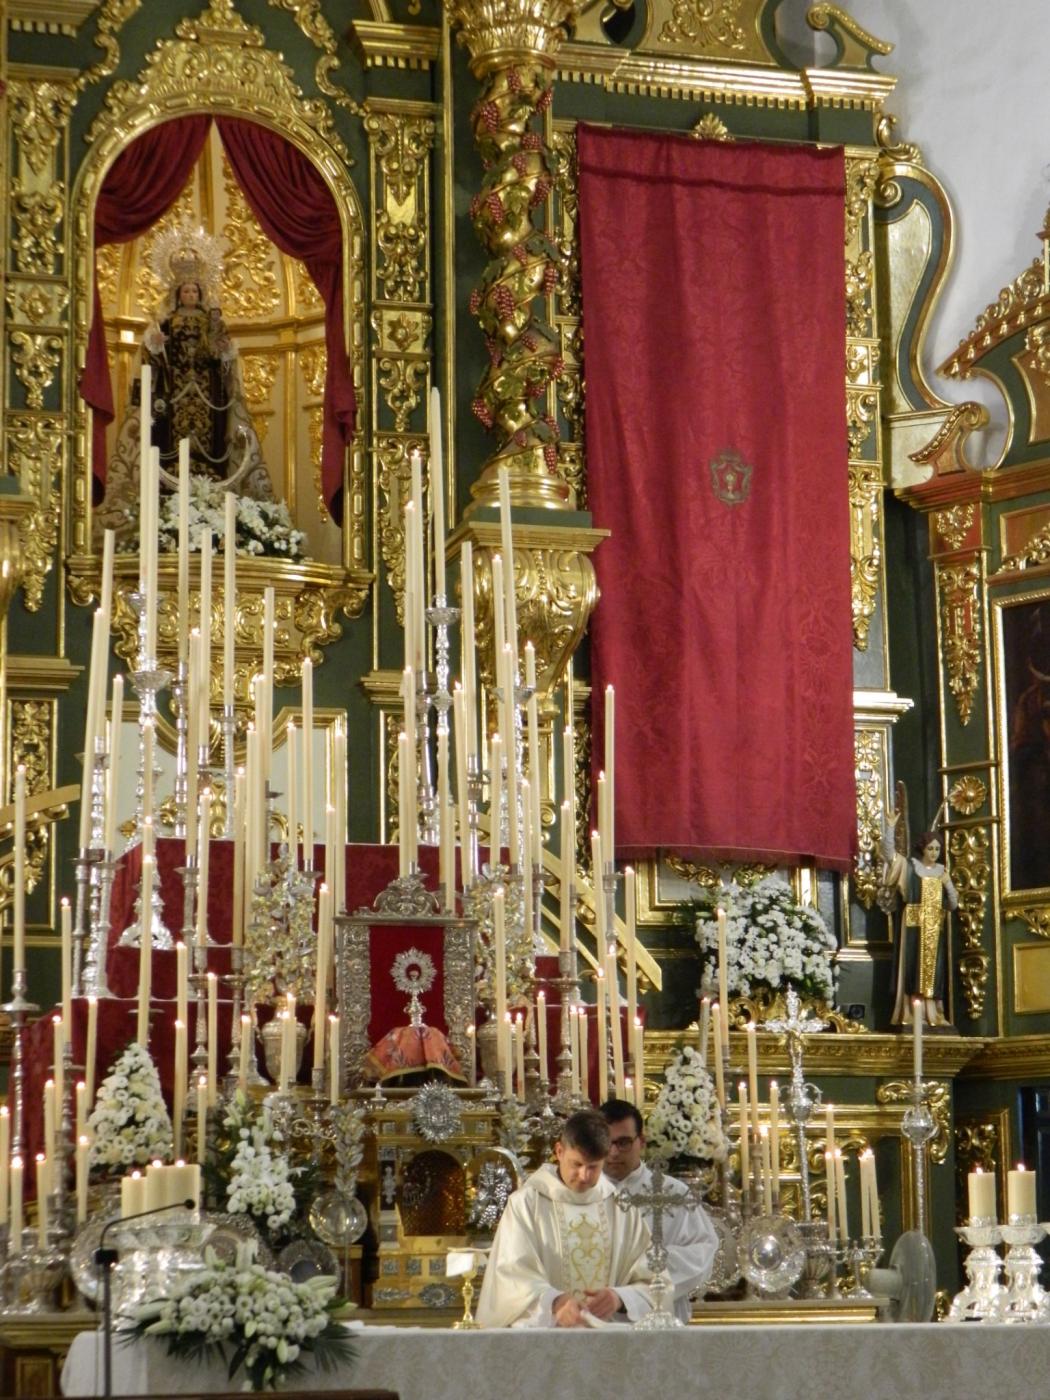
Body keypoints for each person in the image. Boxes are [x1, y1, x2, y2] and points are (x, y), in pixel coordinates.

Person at [475, 1109, 654, 1328]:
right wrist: (555, 1302)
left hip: (609, 1338)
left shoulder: (622, 1208)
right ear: (559, 1151)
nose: (584, 1176)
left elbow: (653, 1279)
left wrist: (620, 1298)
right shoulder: (526, 1204)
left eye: (593, 1167)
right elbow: (510, 1277)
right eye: (577, 1164)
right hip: (546, 1338)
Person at [599, 1097, 719, 1324]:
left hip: (660, 1321)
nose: (613, 1152)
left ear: (641, 1142)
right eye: (606, 1142)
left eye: (623, 1143)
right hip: (595, 1322)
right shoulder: (582, 1194)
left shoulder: (674, 1193)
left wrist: (635, 1273)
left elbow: (702, 1254)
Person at [880, 829, 958, 1028]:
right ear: (922, 848)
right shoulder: (910, 867)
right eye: (930, 848)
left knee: (934, 972)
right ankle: (912, 1012)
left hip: (934, 929)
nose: (934, 853)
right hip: (913, 927)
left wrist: (948, 885)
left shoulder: (942, 872)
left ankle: (934, 1013)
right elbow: (889, 855)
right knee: (912, 968)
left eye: (937, 849)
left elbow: (952, 904)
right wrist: (890, 829)